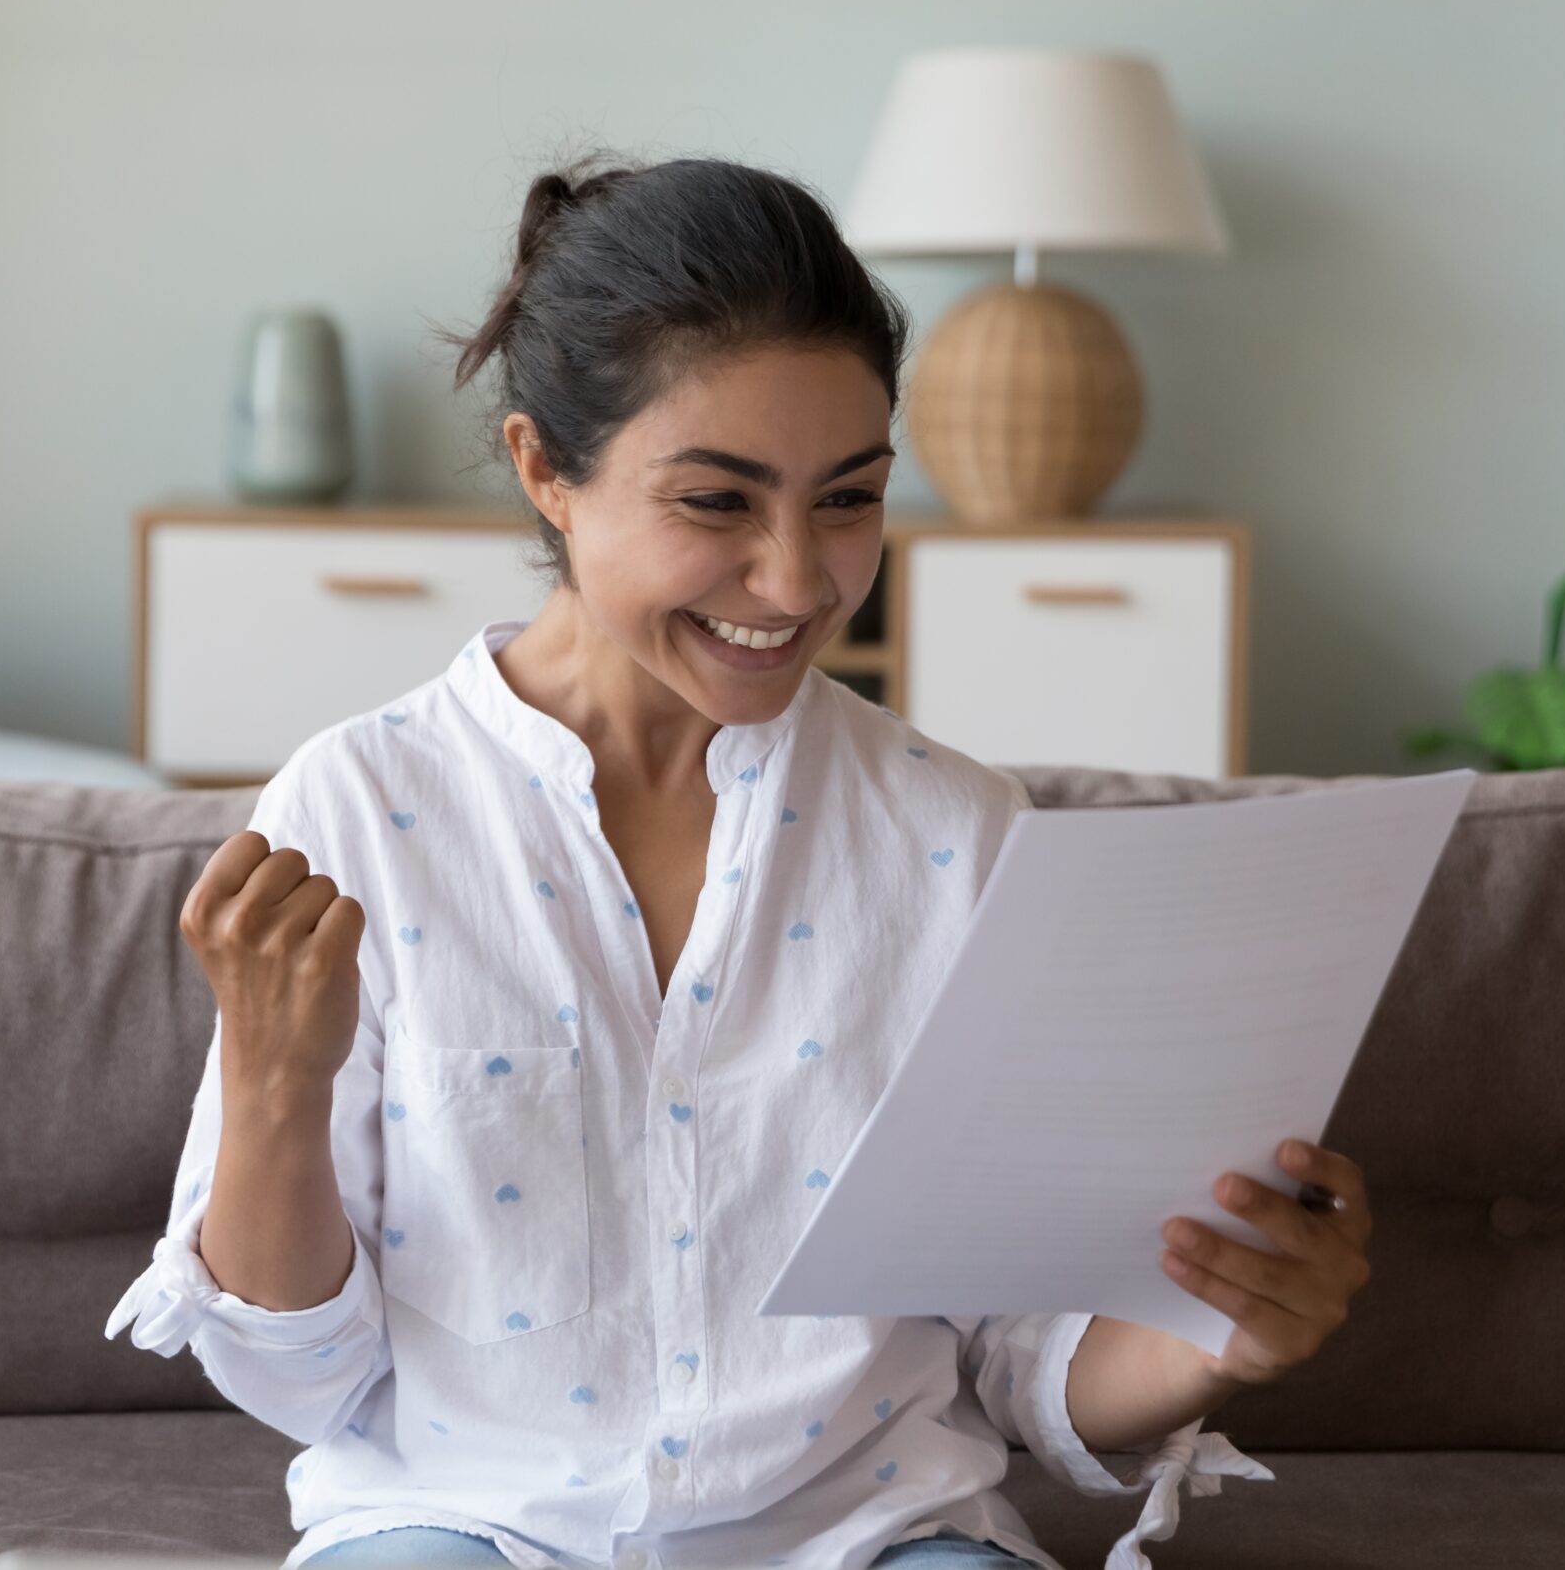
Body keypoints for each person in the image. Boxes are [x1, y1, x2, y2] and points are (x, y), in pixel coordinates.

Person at [105, 153, 1375, 1570]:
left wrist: (1221, 1336)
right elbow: (299, 1382)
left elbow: (1022, 1351)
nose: (797, 580)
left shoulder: (957, 835)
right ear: (546, 470)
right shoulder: (357, 812)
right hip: (468, 1526)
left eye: (848, 499)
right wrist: (274, 1083)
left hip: (868, 1536)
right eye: (718, 502)